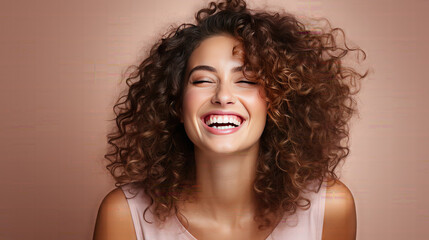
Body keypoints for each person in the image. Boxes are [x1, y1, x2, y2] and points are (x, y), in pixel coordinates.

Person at [93, 0, 367, 239]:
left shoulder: (329, 208)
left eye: (246, 80)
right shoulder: (124, 216)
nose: (223, 96)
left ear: (278, 100)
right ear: (175, 102)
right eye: (202, 80)